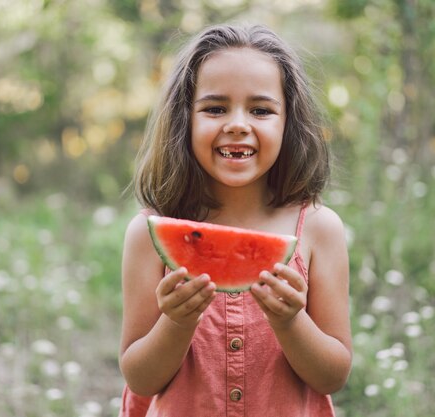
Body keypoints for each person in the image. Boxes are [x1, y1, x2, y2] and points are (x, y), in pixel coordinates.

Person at [118, 23, 352, 417]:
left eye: (260, 110)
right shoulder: (149, 233)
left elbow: (333, 377)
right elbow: (139, 380)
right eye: (215, 108)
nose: (238, 124)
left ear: (288, 121)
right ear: (184, 119)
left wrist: (291, 321)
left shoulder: (318, 229)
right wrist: (176, 322)